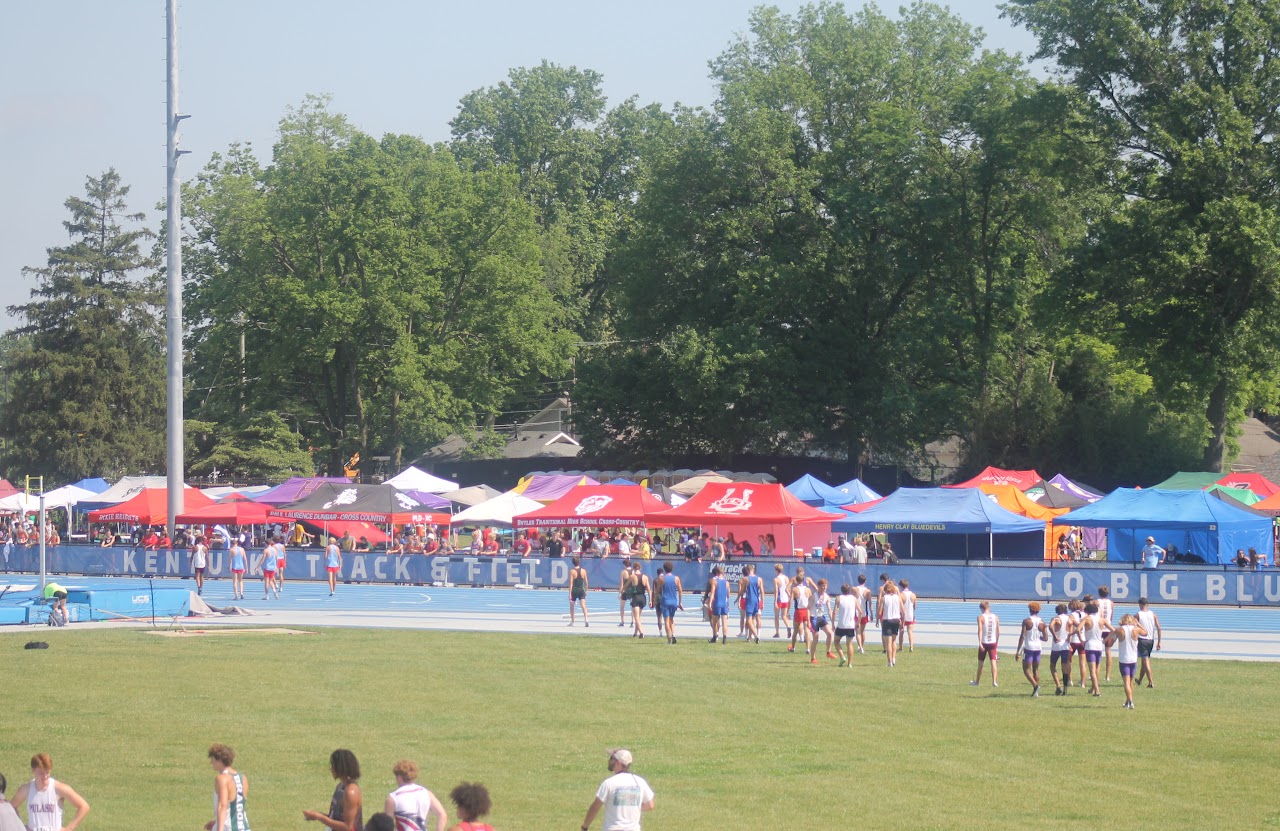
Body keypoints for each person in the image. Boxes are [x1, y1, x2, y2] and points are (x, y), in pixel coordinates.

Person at [11, 753, 90, 831]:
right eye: (41, 773)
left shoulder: (59, 789)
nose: (45, 777)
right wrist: (20, 826)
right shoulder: (26, 789)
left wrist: (69, 828)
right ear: (33, 770)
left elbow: (84, 806)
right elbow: (10, 808)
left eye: (47, 772)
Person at [580, 749, 654, 831]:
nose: (609, 761)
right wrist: (628, 806)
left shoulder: (609, 783)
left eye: (612, 759)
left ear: (618, 763)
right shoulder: (640, 782)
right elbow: (650, 805)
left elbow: (595, 806)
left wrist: (585, 827)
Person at [303, 748, 363, 831]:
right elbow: (335, 818)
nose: (331, 769)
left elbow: (347, 827)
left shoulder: (351, 792)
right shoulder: (340, 787)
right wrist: (316, 815)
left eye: (333, 765)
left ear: (340, 767)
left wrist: (319, 816)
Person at [384, 759, 447, 831]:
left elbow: (387, 825)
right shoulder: (426, 793)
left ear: (399, 777)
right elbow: (442, 815)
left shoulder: (393, 798)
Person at [206, 743, 250, 831]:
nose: (211, 762)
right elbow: (236, 806)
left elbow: (223, 805)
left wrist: (219, 828)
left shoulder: (222, 779)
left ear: (219, 760)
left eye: (213, 759)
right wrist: (216, 822)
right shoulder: (243, 778)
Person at [1108, 614, 1148, 709]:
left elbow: (1110, 643)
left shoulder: (1119, 630)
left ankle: (1130, 701)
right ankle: (1128, 700)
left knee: (1126, 682)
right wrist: (1138, 624)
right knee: (1131, 682)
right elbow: (1145, 633)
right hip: (1133, 659)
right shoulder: (1136, 629)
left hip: (1124, 659)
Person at [1014, 601, 1049, 697]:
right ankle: (1035, 692)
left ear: (1030, 610)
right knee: (1035, 669)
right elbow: (1046, 638)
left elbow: (1023, 636)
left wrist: (1018, 651)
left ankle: (1035, 686)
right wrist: (1038, 637)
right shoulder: (1042, 623)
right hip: (1038, 648)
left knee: (1026, 669)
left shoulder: (1027, 621)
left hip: (1029, 647)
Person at [788, 568, 817, 660]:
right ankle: (807, 648)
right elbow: (812, 599)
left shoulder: (794, 589)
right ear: (803, 580)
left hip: (799, 610)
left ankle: (793, 647)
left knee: (796, 630)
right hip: (806, 611)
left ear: (796, 580)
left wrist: (788, 611)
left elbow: (791, 600)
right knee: (807, 630)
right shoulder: (808, 589)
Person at [1135, 596, 1163, 689]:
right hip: (1151, 640)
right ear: (1147, 604)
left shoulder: (1138, 615)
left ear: (1139, 605)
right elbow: (1159, 627)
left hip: (1142, 639)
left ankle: (1151, 682)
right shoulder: (1153, 614)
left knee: (1145, 661)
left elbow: (1132, 626)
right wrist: (1159, 642)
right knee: (1144, 661)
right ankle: (1140, 680)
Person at [970, 601, 999, 688]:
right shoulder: (996, 617)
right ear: (988, 607)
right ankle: (994, 681)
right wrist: (996, 643)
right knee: (993, 662)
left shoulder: (980, 617)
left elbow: (980, 630)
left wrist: (980, 643)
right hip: (993, 642)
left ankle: (977, 682)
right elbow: (998, 632)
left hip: (984, 642)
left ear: (982, 608)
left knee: (980, 663)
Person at [1080, 601, 1106, 696]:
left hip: (1090, 646)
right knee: (1096, 668)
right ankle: (1093, 688)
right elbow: (1113, 630)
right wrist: (1105, 639)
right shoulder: (1101, 619)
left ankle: (1097, 690)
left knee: (1092, 670)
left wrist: (1081, 640)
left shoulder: (1087, 618)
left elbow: (1078, 629)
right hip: (1099, 646)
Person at [1048, 602, 1074, 695]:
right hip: (1065, 645)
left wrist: (1054, 635)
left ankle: (1058, 686)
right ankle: (1065, 688)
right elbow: (1076, 627)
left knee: (1052, 666)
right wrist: (1069, 638)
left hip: (1056, 646)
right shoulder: (1069, 619)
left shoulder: (1056, 619)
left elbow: (1050, 626)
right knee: (1065, 666)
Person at [655, 560, 683, 644]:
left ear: (664, 569)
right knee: (671, 619)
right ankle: (673, 634)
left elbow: (657, 591)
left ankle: (669, 639)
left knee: (666, 621)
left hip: (665, 601)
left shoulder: (661, 579)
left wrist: (654, 600)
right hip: (674, 601)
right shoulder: (676, 578)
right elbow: (680, 591)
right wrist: (680, 602)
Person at [877, 580, 902, 667]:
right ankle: (894, 658)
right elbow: (903, 611)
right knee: (894, 641)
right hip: (896, 620)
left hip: (887, 620)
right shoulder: (898, 598)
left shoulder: (884, 598)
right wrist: (902, 621)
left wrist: (877, 620)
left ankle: (889, 662)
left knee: (888, 643)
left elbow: (880, 612)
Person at [737, 563, 764, 643]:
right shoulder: (759, 579)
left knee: (748, 619)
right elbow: (762, 592)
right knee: (753, 619)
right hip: (757, 600)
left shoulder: (746, 579)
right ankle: (749, 636)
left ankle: (756, 636)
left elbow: (742, 590)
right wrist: (763, 602)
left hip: (750, 600)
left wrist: (737, 598)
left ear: (748, 570)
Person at [833, 584, 858, 668]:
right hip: (850, 625)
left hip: (841, 624)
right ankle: (850, 663)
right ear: (849, 590)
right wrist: (857, 622)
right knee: (849, 644)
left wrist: (833, 623)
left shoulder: (839, 598)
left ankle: (842, 656)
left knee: (836, 641)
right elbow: (860, 611)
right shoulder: (854, 598)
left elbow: (834, 612)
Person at [811, 578, 836, 660]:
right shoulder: (813, 596)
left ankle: (828, 652)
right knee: (816, 637)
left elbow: (829, 610)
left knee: (830, 633)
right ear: (818, 586)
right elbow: (808, 609)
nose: (824, 588)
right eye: (822, 586)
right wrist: (807, 621)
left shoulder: (826, 597)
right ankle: (813, 657)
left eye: (825, 586)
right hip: (813, 617)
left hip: (821, 617)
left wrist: (832, 623)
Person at [706, 566, 730, 644]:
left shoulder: (714, 581)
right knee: (724, 622)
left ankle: (715, 636)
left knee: (714, 621)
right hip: (724, 603)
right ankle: (724, 638)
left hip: (717, 603)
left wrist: (710, 603)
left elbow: (712, 593)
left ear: (716, 573)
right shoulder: (726, 582)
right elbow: (728, 594)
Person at [1096, 585, 1115, 681]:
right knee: (1108, 652)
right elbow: (1112, 616)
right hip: (1108, 628)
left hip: (1099, 628)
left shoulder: (1096, 602)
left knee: (1097, 652)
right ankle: (1107, 676)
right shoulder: (1111, 603)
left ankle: (1095, 673)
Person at [628, 562, 649, 639]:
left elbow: (626, 585)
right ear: (640, 568)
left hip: (636, 597)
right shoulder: (645, 577)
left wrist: (621, 592)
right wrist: (650, 600)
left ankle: (641, 633)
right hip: (643, 597)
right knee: (639, 617)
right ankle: (635, 633)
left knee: (636, 617)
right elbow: (649, 590)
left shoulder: (632, 577)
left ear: (633, 568)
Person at [853, 575, 873, 654]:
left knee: (857, 631)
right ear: (865, 581)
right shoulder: (867, 591)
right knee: (862, 631)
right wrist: (871, 613)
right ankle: (862, 647)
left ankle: (860, 647)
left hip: (857, 613)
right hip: (864, 612)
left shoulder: (854, 589)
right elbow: (870, 603)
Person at [568, 556, 590, 627]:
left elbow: (571, 583)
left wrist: (569, 593)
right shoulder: (583, 571)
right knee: (583, 605)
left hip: (574, 590)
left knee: (572, 606)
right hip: (581, 590)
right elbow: (586, 582)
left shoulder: (572, 571)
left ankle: (573, 621)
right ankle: (586, 619)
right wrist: (586, 590)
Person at [772, 564, 791, 639]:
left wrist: (775, 601)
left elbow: (776, 591)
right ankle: (788, 626)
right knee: (784, 616)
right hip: (785, 599)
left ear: (776, 570)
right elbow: (788, 589)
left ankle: (777, 632)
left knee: (776, 616)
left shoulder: (776, 579)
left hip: (779, 599)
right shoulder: (786, 578)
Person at [898, 579, 917, 653]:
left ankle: (901, 647)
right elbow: (915, 606)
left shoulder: (901, 595)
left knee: (901, 632)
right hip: (910, 615)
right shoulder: (913, 595)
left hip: (902, 616)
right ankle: (911, 647)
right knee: (910, 632)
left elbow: (899, 606)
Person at [616, 560, 632, 628]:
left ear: (625, 565)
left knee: (622, 607)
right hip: (632, 591)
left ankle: (622, 621)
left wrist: (620, 593)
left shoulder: (623, 572)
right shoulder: (633, 571)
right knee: (633, 607)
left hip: (625, 591)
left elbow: (621, 584)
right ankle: (632, 622)